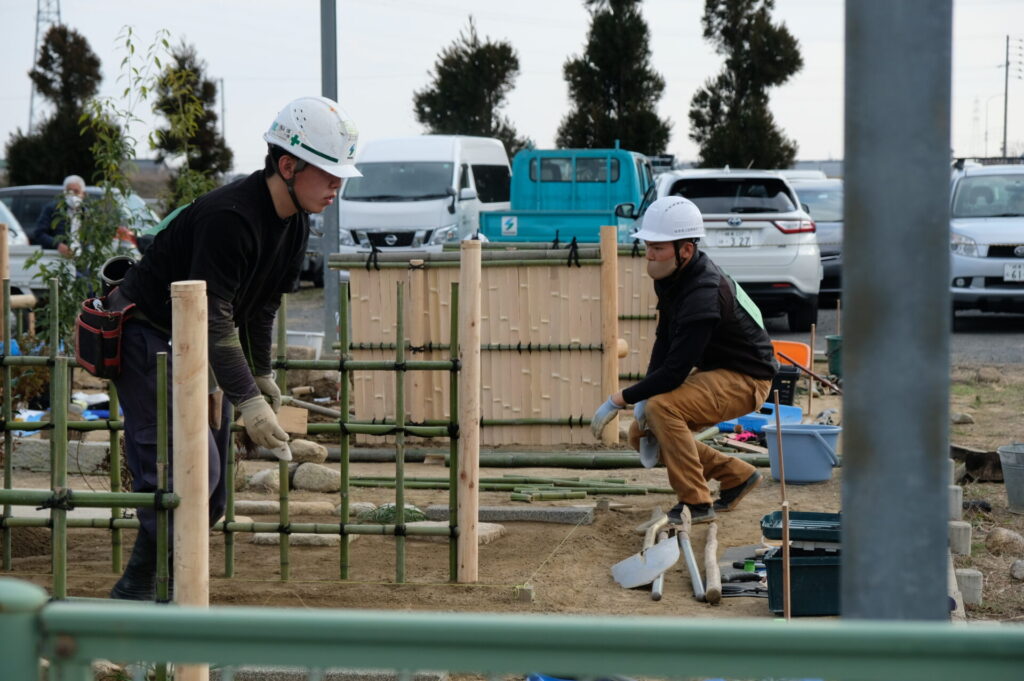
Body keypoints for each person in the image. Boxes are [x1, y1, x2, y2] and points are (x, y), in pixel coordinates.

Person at [107, 96, 361, 600]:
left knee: (214, 491)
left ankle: (140, 586)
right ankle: (156, 604)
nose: (338, 185)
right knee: (187, 472)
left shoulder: (294, 223)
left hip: (192, 340)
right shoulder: (231, 217)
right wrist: (248, 398)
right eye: (329, 173)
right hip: (147, 336)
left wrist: (262, 375)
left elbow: (261, 307)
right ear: (287, 165)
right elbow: (217, 319)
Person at [590, 196, 777, 525]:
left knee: (663, 409)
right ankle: (736, 475)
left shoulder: (703, 292)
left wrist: (619, 399)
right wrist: (644, 396)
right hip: (719, 372)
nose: (649, 254)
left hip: (747, 379)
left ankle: (696, 502)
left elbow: (675, 371)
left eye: (657, 248)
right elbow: (665, 340)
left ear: (685, 250)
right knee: (641, 433)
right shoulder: (672, 278)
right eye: (648, 245)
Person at [34, 174, 86, 256]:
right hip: (58, 258)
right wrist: (58, 244)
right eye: (69, 191)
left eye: (76, 191)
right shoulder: (52, 209)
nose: (72, 195)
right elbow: (39, 233)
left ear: (83, 194)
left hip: (81, 259)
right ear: (64, 193)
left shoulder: (87, 213)